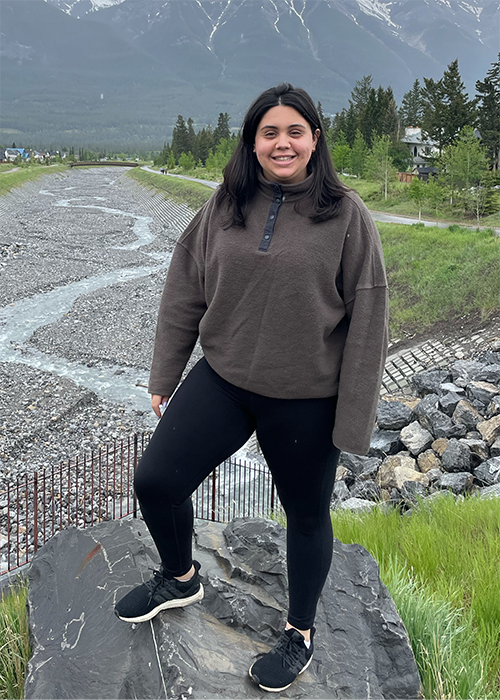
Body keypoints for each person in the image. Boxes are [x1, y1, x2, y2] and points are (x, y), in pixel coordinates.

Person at [115, 83, 388, 693]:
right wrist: (165, 373)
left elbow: (369, 322)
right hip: (224, 379)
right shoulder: (224, 205)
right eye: (270, 132)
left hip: (306, 397)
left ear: (315, 140)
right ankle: (181, 577)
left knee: (307, 516)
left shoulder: (347, 215)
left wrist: (352, 421)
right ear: (253, 142)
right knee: (156, 479)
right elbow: (185, 288)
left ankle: (300, 633)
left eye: (295, 131)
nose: (282, 142)